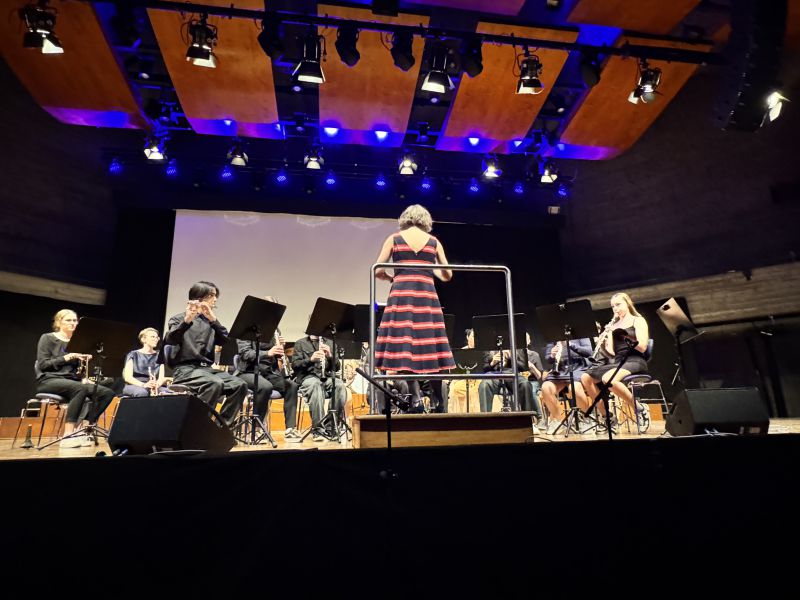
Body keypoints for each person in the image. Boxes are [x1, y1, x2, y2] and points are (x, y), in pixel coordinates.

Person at [374, 205, 455, 405]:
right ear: (426, 220)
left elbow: (377, 270)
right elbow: (447, 275)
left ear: (405, 218)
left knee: (405, 345)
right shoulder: (434, 242)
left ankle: (415, 398)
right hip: (426, 296)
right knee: (431, 344)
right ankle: (438, 400)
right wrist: (428, 270)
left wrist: (391, 278)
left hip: (402, 295)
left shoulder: (394, 238)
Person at [163, 281, 248, 427]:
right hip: (185, 370)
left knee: (240, 385)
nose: (215, 299)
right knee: (214, 384)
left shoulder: (210, 321)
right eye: (212, 295)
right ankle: (197, 426)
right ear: (199, 297)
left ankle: (220, 427)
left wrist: (213, 319)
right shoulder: (178, 319)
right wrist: (187, 320)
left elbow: (225, 340)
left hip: (206, 370)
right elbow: (171, 339)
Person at [35, 309, 116, 448]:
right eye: (69, 320)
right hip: (49, 380)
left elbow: (79, 371)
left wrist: (87, 361)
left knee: (107, 393)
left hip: (73, 382)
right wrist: (66, 357)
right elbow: (43, 364)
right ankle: (67, 436)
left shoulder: (79, 342)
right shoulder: (47, 338)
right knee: (80, 388)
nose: (73, 323)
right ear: (59, 322)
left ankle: (83, 429)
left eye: (75, 320)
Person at [581, 292, 650, 429]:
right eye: (613, 306)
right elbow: (611, 354)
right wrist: (602, 343)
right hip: (619, 362)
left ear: (627, 303)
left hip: (635, 360)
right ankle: (607, 416)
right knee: (585, 377)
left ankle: (640, 409)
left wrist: (624, 336)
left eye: (618, 304)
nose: (615, 309)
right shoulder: (613, 325)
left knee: (608, 379)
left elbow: (642, 347)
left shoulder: (638, 320)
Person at [236, 322, 300, 441]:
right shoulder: (246, 329)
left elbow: (276, 356)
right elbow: (245, 354)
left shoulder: (275, 330)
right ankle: (257, 428)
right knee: (265, 386)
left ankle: (290, 429)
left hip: (268, 373)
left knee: (292, 386)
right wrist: (268, 353)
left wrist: (280, 347)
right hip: (248, 372)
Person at [292, 334, 347, 441]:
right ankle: (318, 429)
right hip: (307, 378)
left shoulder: (330, 343)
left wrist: (330, 356)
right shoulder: (300, 343)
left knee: (340, 385)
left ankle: (331, 427)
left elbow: (336, 367)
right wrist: (310, 359)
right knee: (316, 385)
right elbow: (295, 365)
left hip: (326, 377)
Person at [540, 337, 592, 434]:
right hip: (560, 370)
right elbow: (548, 359)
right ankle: (557, 420)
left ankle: (585, 418)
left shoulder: (580, 334)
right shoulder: (553, 336)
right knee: (546, 387)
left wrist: (569, 344)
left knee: (575, 388)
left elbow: (589, 352)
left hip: (577, 368)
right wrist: (552, 355)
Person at [477, 347, 533, 413]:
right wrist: (492, 363)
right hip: (494, 375)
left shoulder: (519, 346)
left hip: (512, 374)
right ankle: (485, 418)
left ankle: (527, 417)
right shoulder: (488, 346)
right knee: (484, 385)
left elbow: (524, 367)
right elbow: (484, 368)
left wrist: (511, 358)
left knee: (525, 384)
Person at [122, 327, 168, 397]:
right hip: (135, 384)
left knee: (168, 392)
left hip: (153, 384)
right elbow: (128, 377)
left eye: (157, 337)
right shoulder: (133, 354)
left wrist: (157, 385)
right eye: (152, 337)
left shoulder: (159, 355)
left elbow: (161, 378)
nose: (156, 339)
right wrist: (144, 385)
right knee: (142, 393)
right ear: (143, 339)